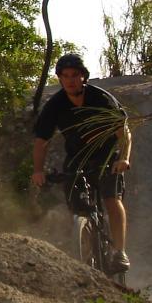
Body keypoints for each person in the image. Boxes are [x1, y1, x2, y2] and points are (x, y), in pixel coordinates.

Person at [30, 52, 132, 272]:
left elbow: (123, 132)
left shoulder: (101, 99)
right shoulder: (55, 105)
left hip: (106, 158)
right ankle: (85, 247)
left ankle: (119, 252)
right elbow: (41, 141)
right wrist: (38, 171)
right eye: (65, 76)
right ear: (59, 78)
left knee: (111, 198)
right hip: (77, 159)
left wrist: (124, 158)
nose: (70, 80)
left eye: (75, 75)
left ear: (84, 77)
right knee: (76, 208)